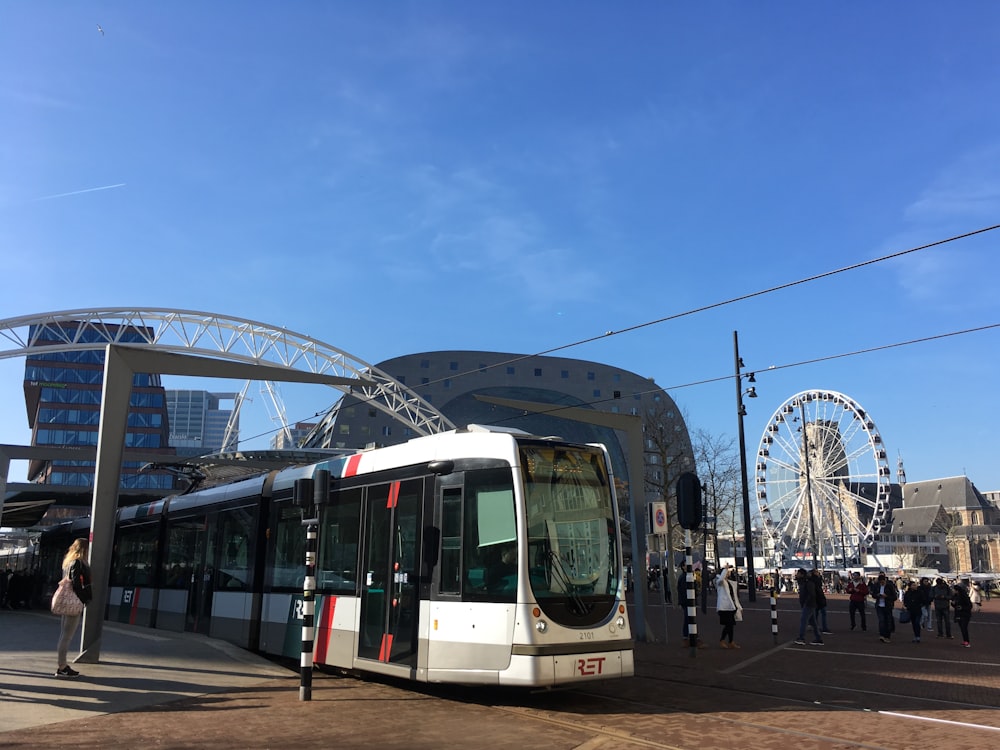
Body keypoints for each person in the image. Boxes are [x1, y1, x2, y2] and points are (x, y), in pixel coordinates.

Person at [55, 538, 92, 678]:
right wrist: (83, 599)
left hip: (67, 601)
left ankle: (62, 665)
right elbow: (77, 584)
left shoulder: (68, 562)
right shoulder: (78, 563)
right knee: (67, 636)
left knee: (64, 634)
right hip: (74, 602)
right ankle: (62, 666)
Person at [793, 568, 823, 646]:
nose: (797, 575)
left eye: (798, 573)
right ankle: (818, 638)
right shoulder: (803, 582)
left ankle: (801, 638)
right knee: (813, 623)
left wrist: (806, 602)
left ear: (802, 574)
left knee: (804, 620)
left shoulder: (808, 583)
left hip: (808, 604)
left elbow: (812, 594)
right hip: (809, 604)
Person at [715, 564, 743, 649]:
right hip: (724, 607)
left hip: (731, 606)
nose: (728, 573)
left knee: (731, 625)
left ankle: (730, 641)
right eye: (727, 572)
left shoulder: (730, 583)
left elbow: (734, 596)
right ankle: (722, 640)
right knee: (729, 624)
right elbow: (721, 579)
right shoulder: (720, 582)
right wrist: (725, 569)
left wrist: (739, 607)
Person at [870, 572, 898, 643]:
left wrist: (887, 596)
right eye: (881, 583)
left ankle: (887, 636)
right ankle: (882, 635)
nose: (882, 584)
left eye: (883, 582)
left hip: (888, 605)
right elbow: (873, 595)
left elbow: (894, 597)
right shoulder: (877, 586)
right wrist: (878, 595)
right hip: (879, 606)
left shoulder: (890, 586)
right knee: (881, 620)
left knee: (888, 621)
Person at [811, 569, 832, 634]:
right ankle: (824, 628)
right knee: (822, 614)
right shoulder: (816, 580)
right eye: (817, 572)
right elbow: (818, 589)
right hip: (819, 599)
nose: (818, 573)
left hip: (816, 599)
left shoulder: (812, 580)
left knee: (816, 614)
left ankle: (815, 626)